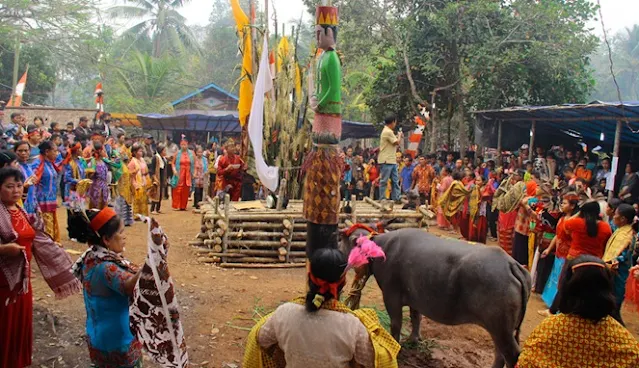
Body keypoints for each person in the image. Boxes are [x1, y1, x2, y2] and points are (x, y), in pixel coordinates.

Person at [243, 248, 400, 367]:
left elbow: (261, 339)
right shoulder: (353, 326)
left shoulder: (284, 313)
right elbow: (373, 361)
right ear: (343, 283)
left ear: (309, 277)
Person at [0, 167, 81, 368]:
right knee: (4, 323)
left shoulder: (19, 210)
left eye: (19, 186)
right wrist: (3, 249)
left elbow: (34, 235)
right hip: (3, 282)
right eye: (9, 186)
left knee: (19, 322)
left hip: (23, 281)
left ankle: (16, 362)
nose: (16, 190)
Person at [517, 256, 639, 368]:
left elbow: (525, 363)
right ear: (607, 288)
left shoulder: (548, 330)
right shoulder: (624, 341)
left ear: (567, 287)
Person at [71, 208, 143, 368]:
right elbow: (130, 286)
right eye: (121, 232)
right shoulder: (105, 268)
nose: (124, 236)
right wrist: (150, 264)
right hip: (118, 341)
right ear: (106, 239)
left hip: (98, 338)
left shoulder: (90, 257)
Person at [540, 192, 579, 313]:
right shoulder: (562, 219)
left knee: (561, 280)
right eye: (562, 202)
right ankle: (552, 304)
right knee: (555, 277)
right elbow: (557, 236)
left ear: (572, 206)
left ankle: (557, 307)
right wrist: (549, 249)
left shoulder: (575, 222)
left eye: (565, 203)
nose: (562, 204)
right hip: (558, 252)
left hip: (567, 254)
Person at [602, 204, 637, 326]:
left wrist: (614, 261)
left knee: (614, 302)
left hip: (619, 272)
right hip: (611, 268)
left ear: (623, 219)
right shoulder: (620, 230)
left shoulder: (628, 235)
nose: (613, 217)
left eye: (616, 215)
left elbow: (626, 254)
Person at [32, 141, 65, 242]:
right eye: (54, 151)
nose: (57, 153)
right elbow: (32, 181)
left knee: (50, 223)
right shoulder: (37, 164)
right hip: (42, 200)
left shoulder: (50, 163)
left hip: (50, 199)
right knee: (44, 225)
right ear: (47, 152)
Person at [62, 142, 87, 241]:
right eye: (80, 149)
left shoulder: (80, 161)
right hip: (72, 190)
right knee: (72, 212)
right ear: (76, 151)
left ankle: (80, 232)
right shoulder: (69, 162)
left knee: (80, 211)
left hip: (79, 190)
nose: (82, 150)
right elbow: (66, 178)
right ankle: (72, 233)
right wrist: (77, 181)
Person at [378, 115, 402, 202]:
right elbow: (397, 142)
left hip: (391, 160)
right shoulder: (387, 131)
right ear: (392, 122)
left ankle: (397, 197)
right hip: (386, 160)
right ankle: (382, 197)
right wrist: (399, 135)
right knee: (384, 180)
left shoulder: (388, 132)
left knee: (395, 180)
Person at [170, 138, 195, 210]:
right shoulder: (177, 153)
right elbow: (173, 163)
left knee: (186, 190)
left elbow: (194, 163)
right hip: (179, 172)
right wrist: (174, 170)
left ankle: (183, 206)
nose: (183, 146)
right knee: (177, 189)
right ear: (180, 145)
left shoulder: (191, 153)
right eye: (182, 145)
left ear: (187, 145)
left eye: (185, 144)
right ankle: (177, 205)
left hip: (188, 173)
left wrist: (194, 173)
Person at [13, 143, 37, 214]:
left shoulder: (29, 167)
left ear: (29, 151)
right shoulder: (14, 168)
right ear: (15, 152)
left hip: (31, 204)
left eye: (26, 150)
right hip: (21, 204)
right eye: (20, 151)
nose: (23, 153)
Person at [128, 144, 150, 219]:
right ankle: (137, 215)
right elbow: (130, 174)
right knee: (137, 199)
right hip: (136, 181)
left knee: (144, 198)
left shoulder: (142, 160)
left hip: (143, 180)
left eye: (141, 151)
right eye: (139, 151)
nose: (141, 152)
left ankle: (143, 214)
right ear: (134, 152)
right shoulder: (132, 162)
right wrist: (134, 184)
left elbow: (146, 170)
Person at [86, 141, 110, 210]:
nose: (105, 152)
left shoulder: (103, 162)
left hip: (104, 188)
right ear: (99, 151)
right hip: (96, 188)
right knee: (95, 207)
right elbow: (89, 176)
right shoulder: (93, 162)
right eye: (104, 150)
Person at [149, 143, 167, 215]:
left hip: (161, 177)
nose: (165, 152)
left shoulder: (163, 159)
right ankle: (152, 209)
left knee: (160, 194)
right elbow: (152, 169)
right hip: (156, 177)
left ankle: (158, 208)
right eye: (164, 151)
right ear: (161, 151)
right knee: (155, 193)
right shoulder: (155, 158)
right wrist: (154, 178)